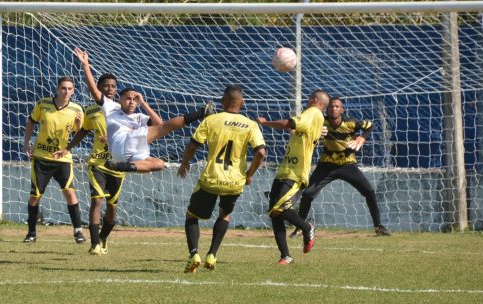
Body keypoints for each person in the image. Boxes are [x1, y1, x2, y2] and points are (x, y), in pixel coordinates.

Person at [74, 48, 216, 173]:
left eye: (134, 99)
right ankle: (202, 113)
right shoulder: (111, 108)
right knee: (163, 128)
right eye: (127, 98)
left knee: (158, 164)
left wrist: (143, 102)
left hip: (131, 156)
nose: (131, 101)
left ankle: (121, 167)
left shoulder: (140, 117)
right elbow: (94, 90)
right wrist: (86, 65)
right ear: (120, 100)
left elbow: (158, 122)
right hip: (121, 144)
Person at [177, 85, 266, 273]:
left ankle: (194, 254)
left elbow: (193, 146)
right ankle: (212, 254)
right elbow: (261, 153)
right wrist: (249, 174)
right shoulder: (251, 125)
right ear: (242, 103)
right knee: (224, 214)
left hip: (211, 179)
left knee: (192, 216)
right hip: (235, 182)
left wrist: (185, 163)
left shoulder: (211, 120)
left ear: (222, 102)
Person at [52, 60, 124, 255]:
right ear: (98, 89)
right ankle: (94, 244)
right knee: (97, 201)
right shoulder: (90, 111)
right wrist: (67, 148)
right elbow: (83, 131)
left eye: (113, 86)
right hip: (97, 164)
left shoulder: (122, 110)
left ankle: (103, 238)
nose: (110, 89)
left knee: (112, 207)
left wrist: (113, 140)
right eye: (106, 86)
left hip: (117, 166)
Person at [292, 97, 391, 237]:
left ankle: (378, 227)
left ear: (342, 110)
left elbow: (370, 125)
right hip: (326, 165)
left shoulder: (351, 123)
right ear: (327, 109)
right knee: (307, 194)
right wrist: (315, 134)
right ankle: (300, 227)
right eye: (331, 106)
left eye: (337, 107)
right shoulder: (321, 122)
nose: (334, 109)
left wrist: (361, 138)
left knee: (369, 191)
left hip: (347, 164)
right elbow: (300, 128)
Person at [257, 89, 329, 265]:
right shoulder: (314, 118)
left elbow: (290, 123)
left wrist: (266, 123)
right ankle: (285, 255)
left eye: (308, 99)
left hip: (296, 171)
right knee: (275, 213)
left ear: (314, 100)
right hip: (286, 169)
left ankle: (307, 227)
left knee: (279, 207)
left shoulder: (312, 112)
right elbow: (297, 130)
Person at [22, 76, 86, 244]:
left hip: (63, 158)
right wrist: (26, 142)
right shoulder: (43, 104)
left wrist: (79, 124)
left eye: (70, 89)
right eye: (63, 88)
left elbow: (78, 132)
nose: (66, 91)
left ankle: (78, 232)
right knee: (35, 196)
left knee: (70, 192)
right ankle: (31, 233)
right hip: (42, 157)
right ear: (57, 89)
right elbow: (31, 122)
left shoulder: (76, 109)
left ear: (73, 91)